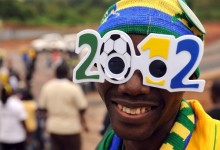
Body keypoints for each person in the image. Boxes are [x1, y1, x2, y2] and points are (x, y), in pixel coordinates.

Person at [73, 0, 220, 149]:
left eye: (159, 68)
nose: (133, 87)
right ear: (97, 64)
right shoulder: (107, 144)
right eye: (116, 64)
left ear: (188, 75)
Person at [38, 61, 88, 150]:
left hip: (54, 128)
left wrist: (45, 124)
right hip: (72, 129)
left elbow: (42, 109)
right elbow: (82, 108)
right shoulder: (73, 88)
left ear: (55, 73)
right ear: (67, 73)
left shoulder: (47, 87)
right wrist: (84, 124)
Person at [0, 85, 28, 150]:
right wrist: (27, 134)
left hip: (4, 137)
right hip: (18, 137)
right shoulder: (17, 103)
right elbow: (23, 120)